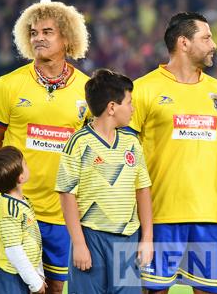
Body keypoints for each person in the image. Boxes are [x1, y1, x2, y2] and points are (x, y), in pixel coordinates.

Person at [128, 12, 217, 294]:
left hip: (208, 216)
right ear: (183, 42)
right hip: (159, 216)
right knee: (153, 290)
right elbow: (126, 151)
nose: (214, 45)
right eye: (206, 38)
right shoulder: (143, 89)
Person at [0, 0, 90, 294]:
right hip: (16, 207)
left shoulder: (86, 90)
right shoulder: (7, 86)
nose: (38, 37)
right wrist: (8, 184)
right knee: (12, 282)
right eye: (33, 32)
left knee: (54, 288)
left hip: (61, 212)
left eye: (47, 31)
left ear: (66, 37)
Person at [55, 69, 152, 293]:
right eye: (129, 102)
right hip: (91, 237)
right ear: (111, 108)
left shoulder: (131, 142)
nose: (133, 108)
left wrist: (147, 238)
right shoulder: (78, 143)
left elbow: (143, 190)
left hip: (128, 240)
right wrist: (79, 244)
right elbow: (66, 195)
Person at [0, 146, 46, 294]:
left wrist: (37, 274)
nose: (27, 164)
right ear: (21, 178)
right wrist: (35, 282)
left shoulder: (22, 203)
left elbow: (32, 242)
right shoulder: (9, 210)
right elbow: (14, 250)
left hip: (21, 276)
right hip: (8, 278)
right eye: (25, 163)